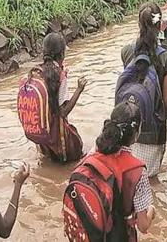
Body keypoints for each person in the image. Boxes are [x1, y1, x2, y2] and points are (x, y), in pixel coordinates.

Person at [64, 102, 156, 241]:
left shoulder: (91, 155)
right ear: (136, 134)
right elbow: (143, 226)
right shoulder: (138, 171)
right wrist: (151, 212)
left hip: (90, 233)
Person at [121, 3, 167, 177]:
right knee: (150, 182)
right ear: (159, 26)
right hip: (154, 130)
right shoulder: (165, 58)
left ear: (139, 23)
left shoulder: (127, 51)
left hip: (128, 126)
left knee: (130, 179)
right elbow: (166, 101)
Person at [18, 32, 86, 162]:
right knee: (76, 156)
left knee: (47, 163)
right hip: (58, 135)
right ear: (62, 54)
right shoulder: (59, 75)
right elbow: (63, 112)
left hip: (42, 134)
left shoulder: (35, 72)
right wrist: (79, 89)